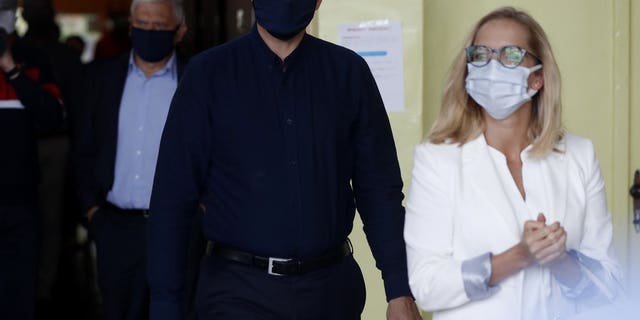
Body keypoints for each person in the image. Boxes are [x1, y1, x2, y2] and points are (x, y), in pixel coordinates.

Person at [148, 0, 421, 319]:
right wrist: (165, 303)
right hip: (236, 292)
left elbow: (379, 191)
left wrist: (399, 288)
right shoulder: (208, 75)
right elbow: (173, 199)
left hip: (331, 292)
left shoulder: (349, 73)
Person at [404, 6, 623, 320]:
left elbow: (610, 285)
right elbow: (426, 285)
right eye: (480, 55)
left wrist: (560, 261)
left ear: (537, 79)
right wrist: (517, 257)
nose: (492, 67)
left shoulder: (579, 156)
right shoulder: (438, 159)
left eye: (510, 55)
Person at [73, 0, 187, 319]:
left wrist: (202, 214)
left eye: (158, 27)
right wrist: (92, 212)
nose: (149, 32)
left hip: (176, 228)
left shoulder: (195, 80)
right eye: (141, 25)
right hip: (115, 226)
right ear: (131, 27)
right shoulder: (102, 78)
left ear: (179, 32)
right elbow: (84, 147)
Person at [0, 0, 64, 319]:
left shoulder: (33, 58)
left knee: (19, 295)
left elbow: (52, 117)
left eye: (6, 8)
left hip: (21, 199)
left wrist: (11, 68)